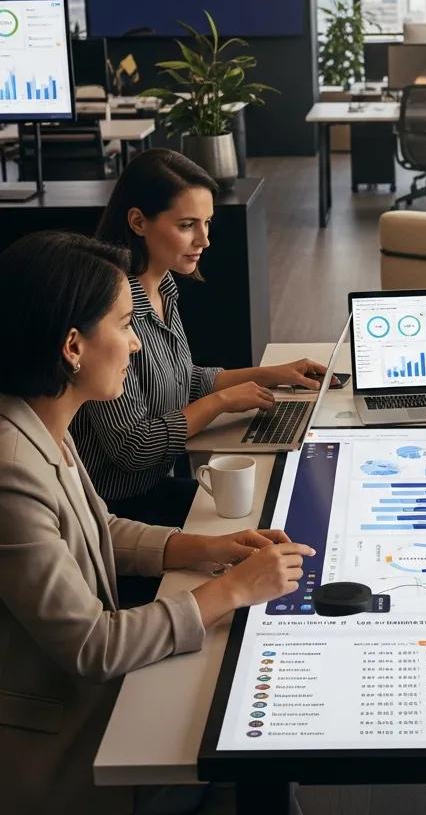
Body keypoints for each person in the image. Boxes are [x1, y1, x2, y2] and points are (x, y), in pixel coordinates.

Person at [0, 231, 315, 814]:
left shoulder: (37, 421)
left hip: (94, 702)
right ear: (73, 346)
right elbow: (93, 645)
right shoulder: (10, 469)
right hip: (64, 751)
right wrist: (232, 590)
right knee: (250, 752)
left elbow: (101, 529)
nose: (136, 346)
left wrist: (207, 547)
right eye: (124, 327)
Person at [72, 149, 328, 529]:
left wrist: (271, 374)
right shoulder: (110, 310)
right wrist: (221, 402)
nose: (204, 240)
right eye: (187, 225)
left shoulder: (163, 286)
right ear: (138, 222)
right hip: (117, 510)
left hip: (158, 486)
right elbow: (132, 448)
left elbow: (183, 379)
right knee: (273, 515)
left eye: (207, 223)